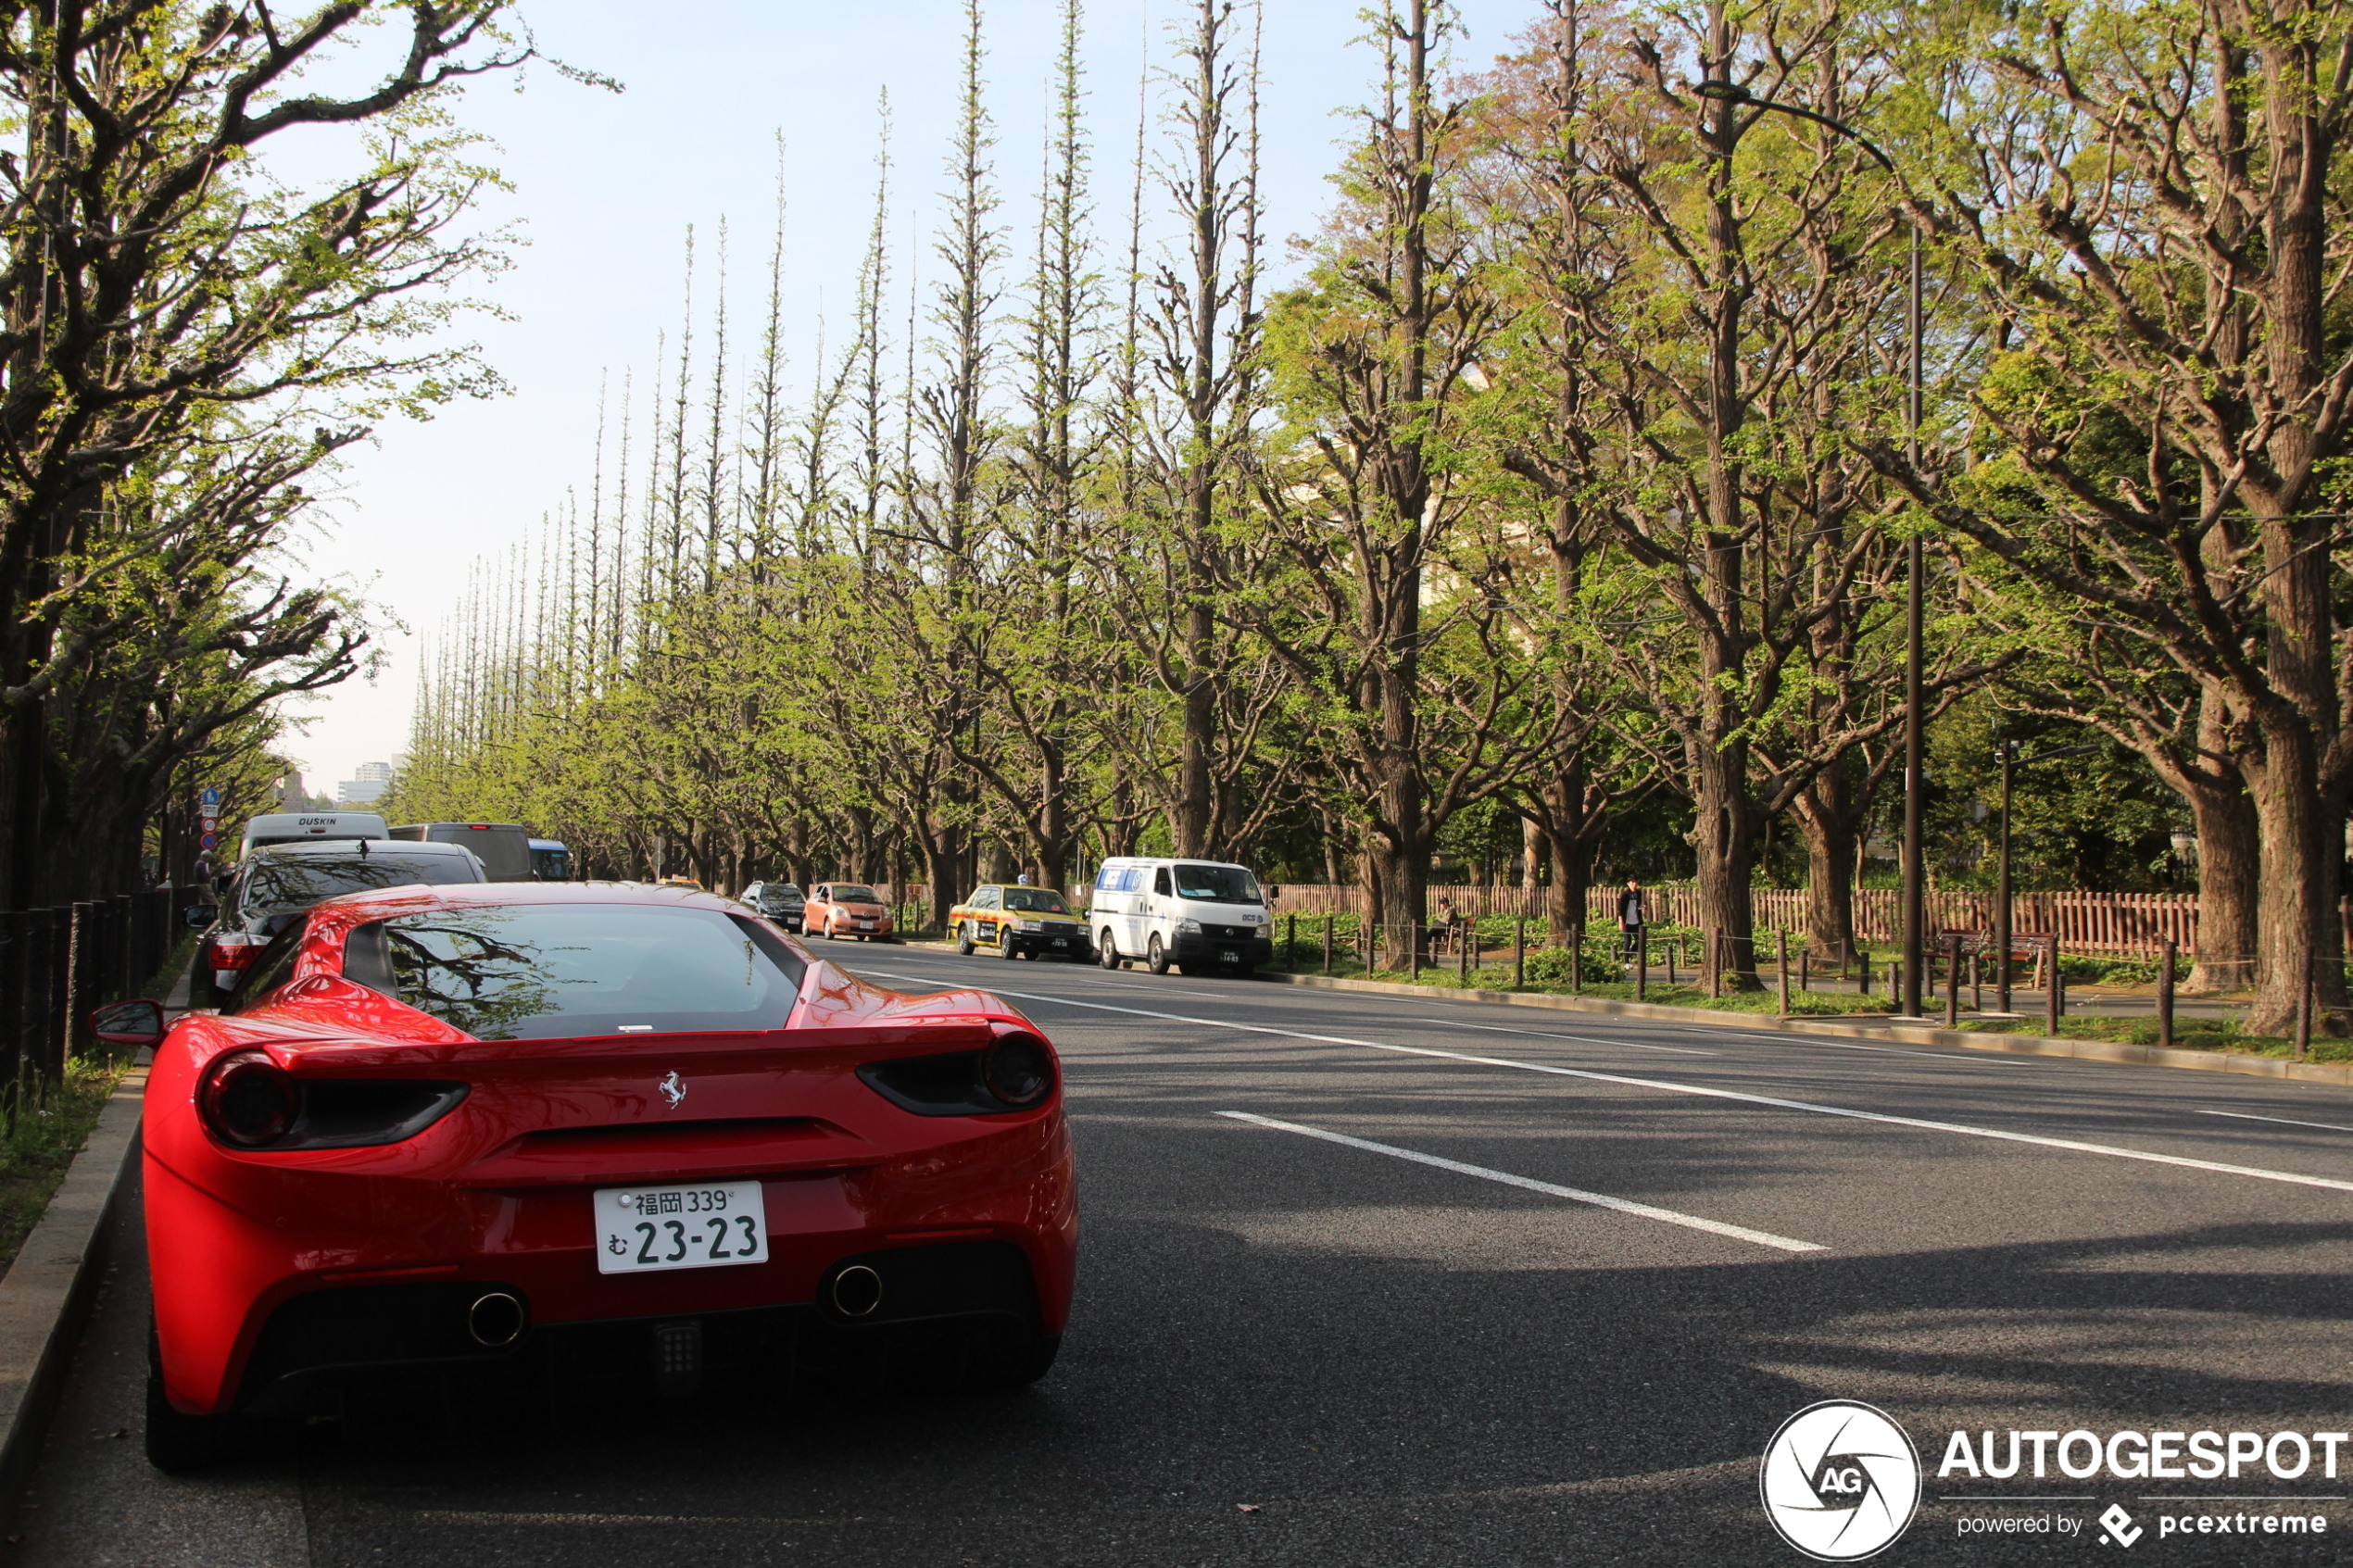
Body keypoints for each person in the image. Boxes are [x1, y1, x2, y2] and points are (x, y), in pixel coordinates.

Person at [1618, 879, 1646, 960]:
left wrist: (1643, 907)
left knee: (1640, 940)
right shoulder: (1625, 895)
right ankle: (1626, 961)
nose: (1635, 884)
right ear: (1628, 883)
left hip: (1637, 921)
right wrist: (1621, 922)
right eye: (1632, 882)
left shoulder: (1639, 893)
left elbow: (1637, 907)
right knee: (1627, 941)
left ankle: (1630, 953)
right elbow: (1620, 909)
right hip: (1627, 921)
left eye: (1636, 882)